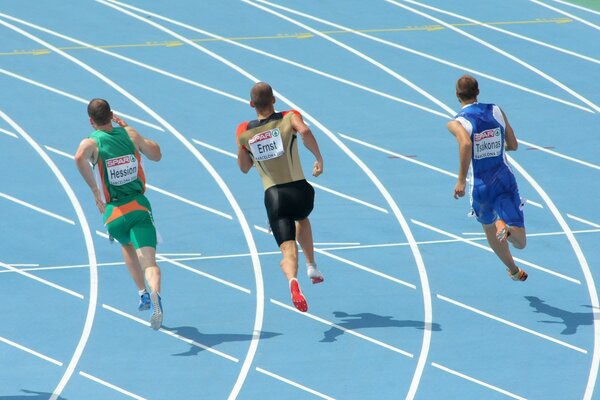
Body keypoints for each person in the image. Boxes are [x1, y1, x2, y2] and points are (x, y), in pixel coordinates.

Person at [75, 98, 164, 329]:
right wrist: (128, 129)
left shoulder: (92, 142)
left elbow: (78, 157)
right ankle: (155, 293)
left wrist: (95, 190)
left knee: (126, 246)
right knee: (150, 263)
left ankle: (142, 293)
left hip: (113, 213)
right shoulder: (129, 134)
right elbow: (156, 154)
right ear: (112, 114)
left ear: (91, 121)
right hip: (139, 207)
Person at [236, 82, 325, 312]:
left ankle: (293, 282)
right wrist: (318, 158)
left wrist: (245, 146)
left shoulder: (244, 131)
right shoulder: (289, 117)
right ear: (274, 100)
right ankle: (312, 265)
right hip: (301, 192)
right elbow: (304, 131)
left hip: (275, 195)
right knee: (302, 219)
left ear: (251, 104)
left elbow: (244, 168)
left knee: (287, 250)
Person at [447, 75, 528, 281]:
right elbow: (513, 145)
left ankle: (512, 269)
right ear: (478, 92)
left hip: (481, 187)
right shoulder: (496, 110)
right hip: (503, 180)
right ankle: (507, 228)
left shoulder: (457, 123)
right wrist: (498, 147)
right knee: (520, 242)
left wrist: (461, 180)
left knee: (489, 229)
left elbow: (465, 144)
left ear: (457, 95)